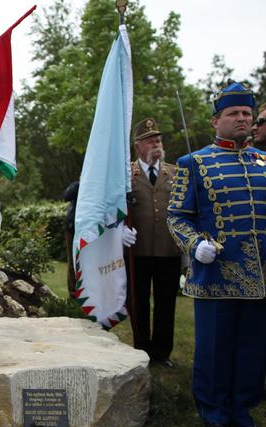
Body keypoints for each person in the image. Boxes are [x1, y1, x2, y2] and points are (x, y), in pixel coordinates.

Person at [167, 81, 266, 427]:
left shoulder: (263, 162)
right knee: (213, 353)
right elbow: (176, 217)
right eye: (233, 113)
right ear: (216, 121)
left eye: (246, 113)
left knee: (252, 352)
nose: (242, 119)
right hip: (216, 277)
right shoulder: (193, 163)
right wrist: (196, 245)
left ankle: (242, 410)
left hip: (261, 280)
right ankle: (214, 414)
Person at [123, 118, 182, 368]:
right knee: (139, 301)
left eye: (158, 140)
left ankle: (162, 352)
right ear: (138, 147)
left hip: (169, 249)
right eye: (150, 141)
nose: (156, 144)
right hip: (140, 249)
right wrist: (118, 232)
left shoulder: (175, 172)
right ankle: (141, 348)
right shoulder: (127, 173)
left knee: (166, 302)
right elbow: (114, 208)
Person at [62, 180, 79, 299]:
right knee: (72, 261)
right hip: (72, 227)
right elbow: (66, 196)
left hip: (88, 228)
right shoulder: (78, 185)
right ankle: (73, 293)